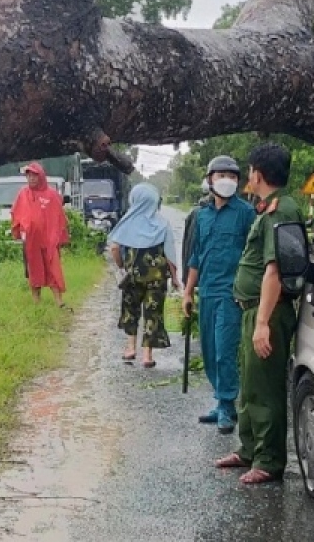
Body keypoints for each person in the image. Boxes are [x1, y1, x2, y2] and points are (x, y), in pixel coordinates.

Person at [215, 143, 303, 485]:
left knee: (265, 388)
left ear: (258, 174)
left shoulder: (281, 211)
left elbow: (274, 271)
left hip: (267, 312)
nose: (248, 176)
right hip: (252, 310)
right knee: (250, 385)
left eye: (249, 170)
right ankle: (250, 448)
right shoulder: (267, 210)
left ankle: (269, 460)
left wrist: (263, 323)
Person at [183, 156, 257, 434]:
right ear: (209, 179)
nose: (226, 180)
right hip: (208, 292)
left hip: (232, 294)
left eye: (232, 175)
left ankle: (227, 404)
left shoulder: (245, 213)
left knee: (225, 350)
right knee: (210, 350)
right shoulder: (202, 216)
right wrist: (188, 293)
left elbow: (255, 254)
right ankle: (220, 400)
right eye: (220, 175)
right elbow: (196, 257)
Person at [108, 183, 180, 368]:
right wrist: (176, 279)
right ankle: (147, 356)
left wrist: (122, 265)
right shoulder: (162, 223)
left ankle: (130, 348)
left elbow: (114, 248)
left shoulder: (127, 221)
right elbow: (170, 255)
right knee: (152, 313)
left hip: (132, 276)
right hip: (157, 278)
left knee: (130, 310)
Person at [10, 162, 71, 308]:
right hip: (31, 241)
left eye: (34, 175)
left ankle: (59, 301)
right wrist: (19, 231)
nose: (31, 178)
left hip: (49, 241)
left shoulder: (52, 195)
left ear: (41, 176)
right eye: (29, 175)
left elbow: (60, 217)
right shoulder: (23, 194)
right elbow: (15, 213)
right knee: (34, 270)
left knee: (53, 269)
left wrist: (59, 236)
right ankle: (36, 302)